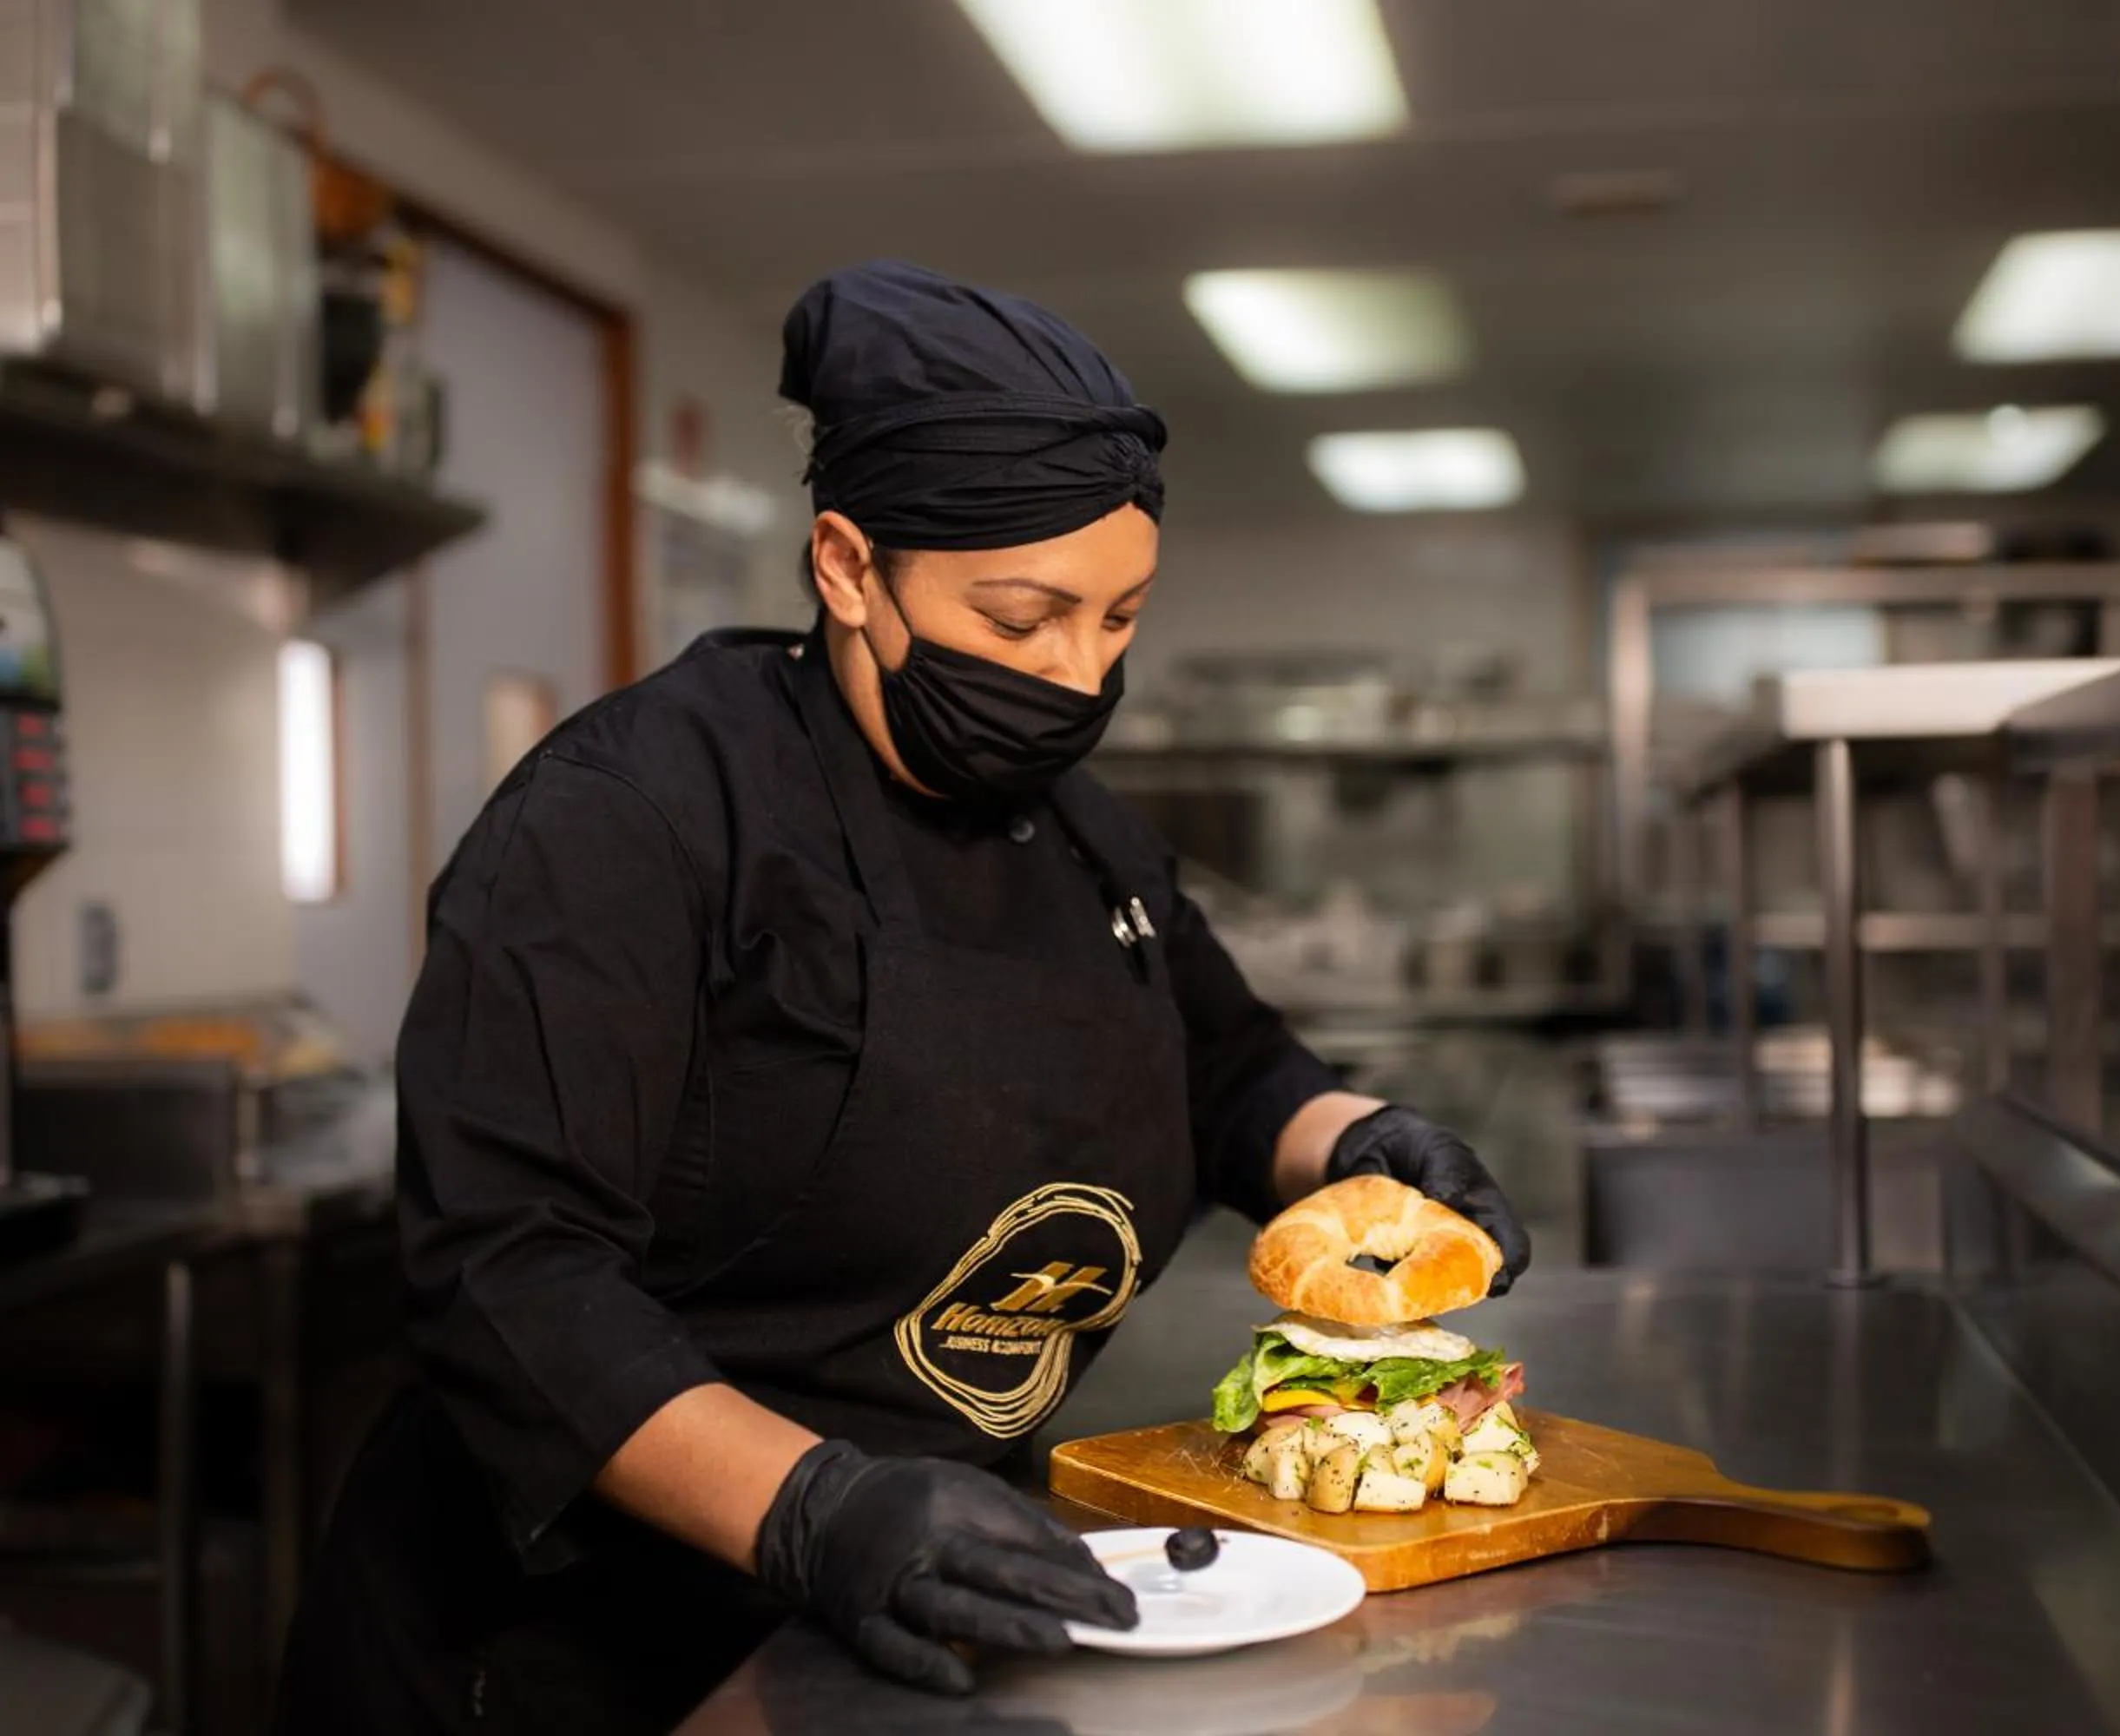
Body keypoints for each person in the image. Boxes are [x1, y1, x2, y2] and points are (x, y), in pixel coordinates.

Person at [272, 260, 1531, 1735]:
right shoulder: (632, 818)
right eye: (1021, 619)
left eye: (1120, 619)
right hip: (583, 1653)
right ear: (848, 568)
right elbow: (511, 1273)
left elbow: (1225, 1063)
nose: (1076, 679)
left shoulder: (1082, 835)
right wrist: (815, 1510)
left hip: (919, 1621)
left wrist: (1361, 1144)